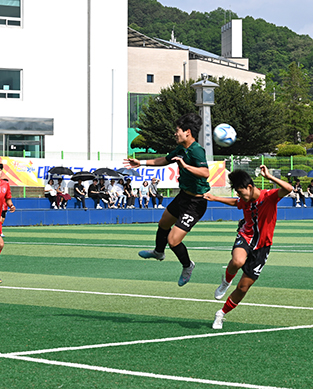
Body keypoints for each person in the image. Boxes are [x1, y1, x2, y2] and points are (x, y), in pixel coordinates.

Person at [125, 112, 210, 286]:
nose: (175, 133)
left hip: (196, 203)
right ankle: (158, 252)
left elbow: (205, 173)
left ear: (187, 132)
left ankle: (187, 265)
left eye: (177, 130)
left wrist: (185, 166)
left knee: (173, 240)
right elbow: (165, 160)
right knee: (163, 223)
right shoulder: (181, 149)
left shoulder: (196, 151)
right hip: (183, 197)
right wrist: (140, 163)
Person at [204, 166, 293, 329]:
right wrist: (214, 198)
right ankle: (225, 281)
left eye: (240, 192)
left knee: (243, 287)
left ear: (250, 187)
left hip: (262, 246)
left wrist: (269, 177)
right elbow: (235, 202)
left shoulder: (269, 196)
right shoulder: (244, 200)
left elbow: (288, 188)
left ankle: (221, 314)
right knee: (237, 261)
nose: (239, 197)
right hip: (246, 236)